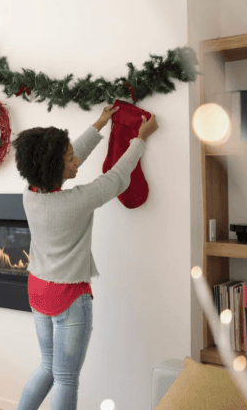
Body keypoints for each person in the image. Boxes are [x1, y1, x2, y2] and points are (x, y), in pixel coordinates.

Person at [13, 104, 158, 410]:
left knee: (47, 368)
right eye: (70, 160)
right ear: (56, 168)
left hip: (38, 291)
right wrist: (140, 140)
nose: (75, 160)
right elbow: (117, 177)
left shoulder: (30, 193)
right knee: (65, 379)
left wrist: (99, 125)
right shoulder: (76, 202)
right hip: (68, 295)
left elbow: (67, 154)